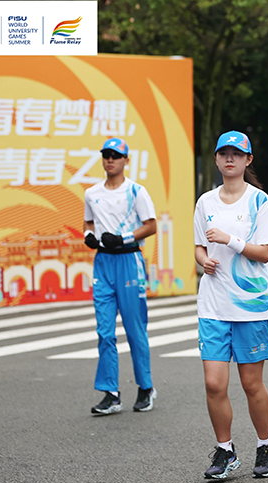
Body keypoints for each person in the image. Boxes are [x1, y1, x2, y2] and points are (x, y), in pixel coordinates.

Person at [194, 131, 268, 481]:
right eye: (224, 153)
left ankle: (265, 445)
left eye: (237, 154)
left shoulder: (259, 202)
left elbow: (264, 252)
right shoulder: (205, 202)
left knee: (250, 384)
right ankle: (225, 450)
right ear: (216, 159)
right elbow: (200, 246)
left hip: (250, 306)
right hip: (213, 304)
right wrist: (204, 260)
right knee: (214, 383)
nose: (230, 159)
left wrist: (229, 240)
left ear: (248, 160)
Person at [84, 137, 157, 415]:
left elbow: (150, 226)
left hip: (129, 261)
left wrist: (123, 238)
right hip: (103, 263)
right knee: (104, 331)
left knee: (134, 328)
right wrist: (88, 236)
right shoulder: (92, 193)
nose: (110, 160)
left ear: (126, 160)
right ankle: (110, 393)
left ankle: (146, 387)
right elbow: (89, 222)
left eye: (116, 155)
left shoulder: (136, 192)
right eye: (106, 155)